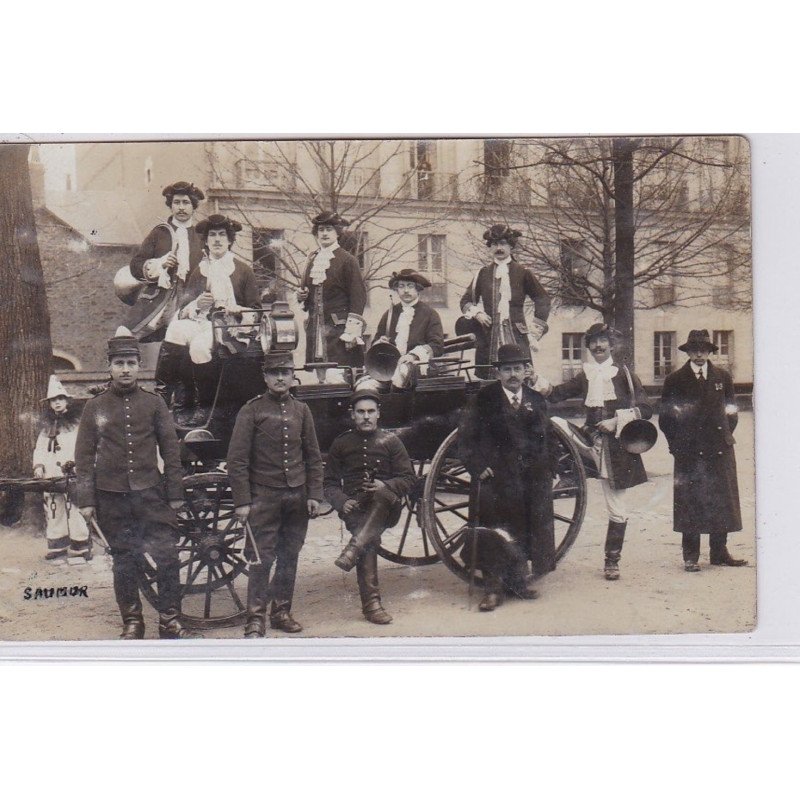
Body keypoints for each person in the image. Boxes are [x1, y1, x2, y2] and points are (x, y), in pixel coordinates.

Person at [74, 327, 202, 639]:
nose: (126, 369)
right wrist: (87, 501)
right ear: (110, 367)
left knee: (167, 557)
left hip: (150, 495)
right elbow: (83, 457)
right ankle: (132, 621)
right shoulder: (95, 407)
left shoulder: (154, 404)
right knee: (124, 560)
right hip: (112, 498)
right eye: (119, 363)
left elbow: (171, 452)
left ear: (138, 365)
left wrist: (174, 495)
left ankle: (170, 620)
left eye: (131, 363)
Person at [544, 323, 653, 581]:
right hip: (588, 442)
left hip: (617, 450)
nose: (598, 346)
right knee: (556, 423)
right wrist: (535, 380)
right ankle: (569, 473)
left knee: (617, 508)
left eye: (603, 341)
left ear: (611, 345)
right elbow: (557, 394)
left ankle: (612, 561)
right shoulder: (586, 374)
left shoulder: (624, 374)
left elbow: (646, 409)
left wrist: (617, 421)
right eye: (593, 342)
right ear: (589, 347)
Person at [226, 352, 324, 636]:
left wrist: (313, 494)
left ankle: (281, 612)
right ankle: (255, 619)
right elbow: (237, 460)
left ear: (293, 375)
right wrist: (243, 501)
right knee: (261, 558)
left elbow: (313, 457)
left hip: (295, 495)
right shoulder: (252, 410)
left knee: (289, 554)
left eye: (285, 372)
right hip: (263, 497)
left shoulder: (301, 410)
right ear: (265, 377)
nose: (280, 378)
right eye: (274, 373)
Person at [458, 343, 556, 611]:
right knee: (494, 532)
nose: (513, 374)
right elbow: (465, 438)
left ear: (526, 371)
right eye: (507, 369)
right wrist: (477, 466)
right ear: (498, 372)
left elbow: (548, 439)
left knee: (525, 528)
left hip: (529, 478)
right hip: (496, 479)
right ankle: (493, 589)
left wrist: (551, 471)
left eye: (518, 369)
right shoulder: (484, 399)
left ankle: (517, 583)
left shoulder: (536, 400)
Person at [155, 214, 261, 423]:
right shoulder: (200, 271)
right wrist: (197, 305)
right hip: (203, 322)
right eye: (213, 235)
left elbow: (255, 309)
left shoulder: (242, 271)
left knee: (199, 347)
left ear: (230, 240)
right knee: (175, 329)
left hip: (230, 327)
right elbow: (185, 307)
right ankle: (163, 394)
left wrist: (236, 309)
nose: (217, 240)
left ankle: (203, 406)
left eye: (222, 235)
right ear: (207, 241)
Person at [659, 329, 748, 571]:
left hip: (719, 448)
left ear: (710, 351)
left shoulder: (722, 377)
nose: (699, 354)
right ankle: (690, 556)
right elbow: (666, 417)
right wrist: (676, 445)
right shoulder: (675, 380)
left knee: (721, 499)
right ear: (687, 352)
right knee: (690, 501)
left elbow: (731, 411)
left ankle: (719, 552)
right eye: (694, 349)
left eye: (704, 349)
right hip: (689, 450)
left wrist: (725, 435)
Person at [324, 389, 415, 624]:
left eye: (370, 411)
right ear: (352, 415)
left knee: (381, 498)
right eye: (360, 412)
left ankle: (353, 550)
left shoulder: (391, 442)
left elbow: (408, 478)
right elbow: (330, 483)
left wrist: (385, 484)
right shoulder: (341, 443)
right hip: (356, 508)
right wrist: (343, 502)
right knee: (368, 536)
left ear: (378, 414)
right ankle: (372, 605)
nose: (366, 416)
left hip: (388, 508)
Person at [457, 224, 550, 377]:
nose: (498, 248)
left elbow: (543, 299)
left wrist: (535, 330)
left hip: (517, 336)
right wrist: (477, 313)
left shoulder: (523, 272)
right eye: (494, 244)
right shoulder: (483, 273)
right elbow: (466, 300)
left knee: (520, 377)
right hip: (488, 338)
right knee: (488, 383)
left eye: (503, 243)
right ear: (490, 247)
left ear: (511, 246)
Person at [124, 181, 206, 342]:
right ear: (170, 205)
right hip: (160, 299)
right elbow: (136, 265)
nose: (181, 207)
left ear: (193, 206)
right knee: (125, 335)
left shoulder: (201, 236)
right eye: (176, 202)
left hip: (192, 300)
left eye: (186, 203)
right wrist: (160, 264)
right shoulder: (159, 233)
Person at [297, 211, 367, 380]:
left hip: (339, 331)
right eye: (321, 230)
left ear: (337, 232)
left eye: (329, 229)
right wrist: (302, 296)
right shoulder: (311, 260)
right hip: (316, 330)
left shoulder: (348, 260)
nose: (325, 233)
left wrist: (352, 332)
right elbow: (306, 292)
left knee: (338, 376)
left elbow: (358, 297)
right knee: (320, 374)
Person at [32, 376, 90, 561]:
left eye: (60, 399)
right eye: (53, 400)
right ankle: (58, 544)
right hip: (51, 473)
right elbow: (40, 448)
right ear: (49, 404)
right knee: (54, 507)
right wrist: (39, 466)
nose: (57, 403)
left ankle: (80, 544)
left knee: (74, 507)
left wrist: (75, 463)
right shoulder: (46, 426)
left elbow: (83, 446)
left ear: (66, 401)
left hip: (71, 471)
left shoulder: (76, 425)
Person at [373, 268, 445, 387]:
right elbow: (376, 342)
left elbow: (437, 346)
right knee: (366, 384)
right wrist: (380, 343)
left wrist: (413, 356)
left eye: (410, 286)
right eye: (401, 286)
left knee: (402, 375)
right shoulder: (389, 314)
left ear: (418, 289)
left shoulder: (430, 314)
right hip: (389, 368)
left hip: (419, 368)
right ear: (397, 289)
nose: (406, 290)